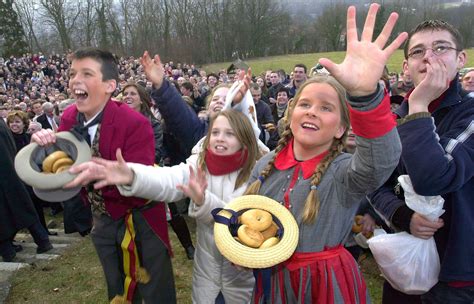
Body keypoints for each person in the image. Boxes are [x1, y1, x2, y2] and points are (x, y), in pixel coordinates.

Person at [244, 4, 405, 303]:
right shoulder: (265, 165)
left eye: (326, 108)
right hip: (275, 285)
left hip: (327, 285)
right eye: (305, 104)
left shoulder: (345, 171)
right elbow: (249, 222)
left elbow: (381, 159)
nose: (313, 112)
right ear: (291, 113)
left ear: (342, 128)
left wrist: (366, 96)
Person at [66, 110, 261, 303]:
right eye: (215, 132)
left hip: (242, 283)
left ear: (245, 140)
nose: (220, 138)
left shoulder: (258, 174)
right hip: (207, 279)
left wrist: (204, 201)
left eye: (229, 134)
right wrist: (133, 176)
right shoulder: (199, 164)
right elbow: (167, 179)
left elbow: (241, 221)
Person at [31, 47, 176, 303]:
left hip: (140, 217)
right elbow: (63, 172)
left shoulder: (135, 123)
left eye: (87, 73)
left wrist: (100, 175)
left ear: (110, 85)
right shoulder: (68, 117)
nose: (76, 80)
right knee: (116, 285)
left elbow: (140, 183)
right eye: (73, 73)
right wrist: (44, 147)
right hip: (103, 218)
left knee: (153, 286)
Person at [368, 19, 474, 303]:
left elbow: (435, 178)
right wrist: (402, 216)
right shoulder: (394, 117)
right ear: (406, 67)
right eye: (417, 52)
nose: (428, 57)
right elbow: (376, 184)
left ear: (460, 58)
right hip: (404, 266)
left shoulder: (469, 114)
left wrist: (418, 107)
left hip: (457, 275)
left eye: (441, 48)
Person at [121, 81, 195, 260]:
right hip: (127, 174)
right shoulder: (119, 122)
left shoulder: (152, 123)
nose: (128, 97)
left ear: (142, 99)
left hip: (153, 170)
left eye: (133, 93)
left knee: (171, 212)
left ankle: (188, 246)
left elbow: (155, 150)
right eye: (125, 94)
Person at [0, 118, 53, 262]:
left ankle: (7, 251)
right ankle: (42, 240)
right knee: (23, 208)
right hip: (12, 174)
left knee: (5, 215)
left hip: (5, 175)